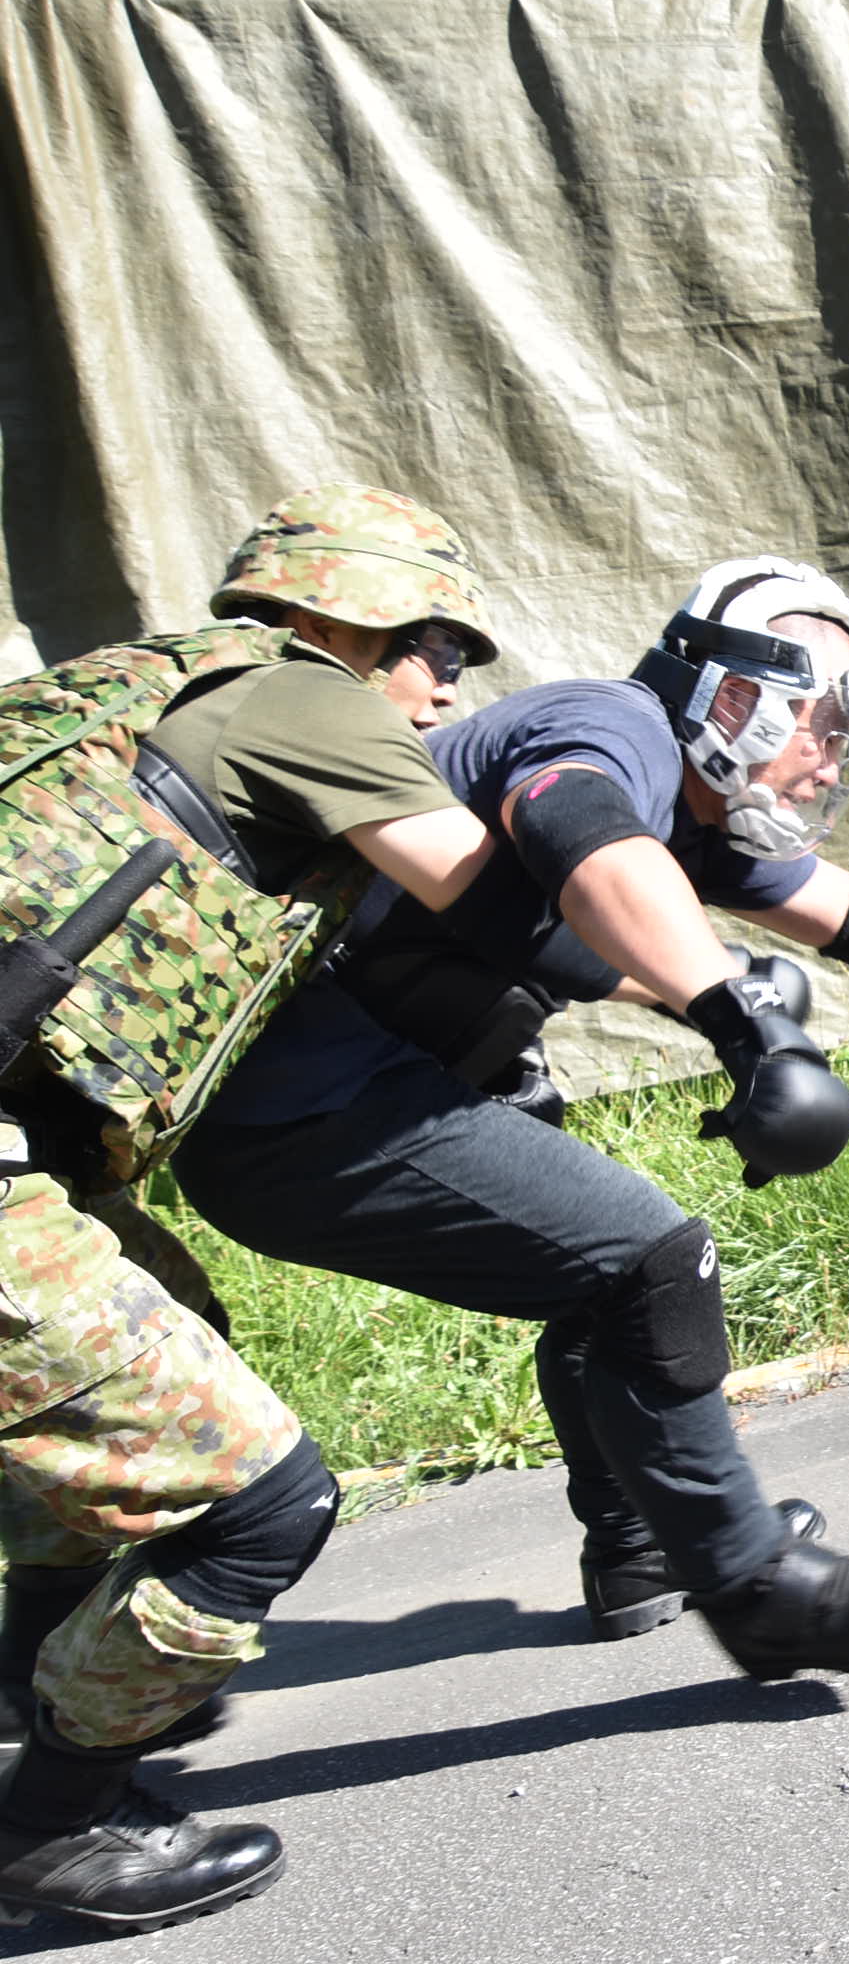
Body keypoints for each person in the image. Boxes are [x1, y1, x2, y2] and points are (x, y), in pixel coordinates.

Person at [171, 556, 849, 1680]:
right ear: (736, 699)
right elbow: (581, 836)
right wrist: (741, 1018)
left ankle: (646, 1546)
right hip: (312, 1109)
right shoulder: (616, 730)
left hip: (333, 1102)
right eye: (822, 723)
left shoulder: (685, 803)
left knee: (596, 1282)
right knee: (650, 1258)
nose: (831, 756)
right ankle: (757, 1591)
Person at [0, 485, 536, 1930]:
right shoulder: (315, 695)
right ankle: (54, 1819)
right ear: (342, 614)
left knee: (167, 1352)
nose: (443, 684)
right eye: (433, 642)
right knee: (264, 1495)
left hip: (20, 1164)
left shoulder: (131, 689)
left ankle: (47, 1699)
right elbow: (488, 896)